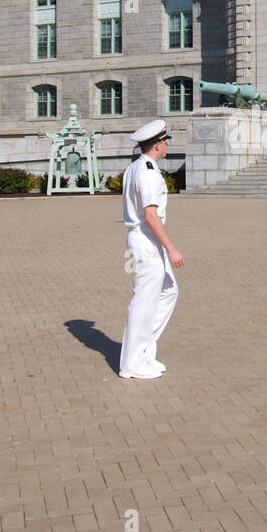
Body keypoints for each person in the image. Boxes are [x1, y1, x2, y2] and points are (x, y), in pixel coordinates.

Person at [118, 119, 184, 380]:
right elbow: (150, 215)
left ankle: (144, 350)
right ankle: (131, 363)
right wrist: (171, 248)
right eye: (165, 142)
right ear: (157, 145)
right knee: (143, 303)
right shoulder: (146, 172)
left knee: (169, 292)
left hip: (146, 241)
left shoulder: (136, 167)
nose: (167, 146)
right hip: (146, 241)